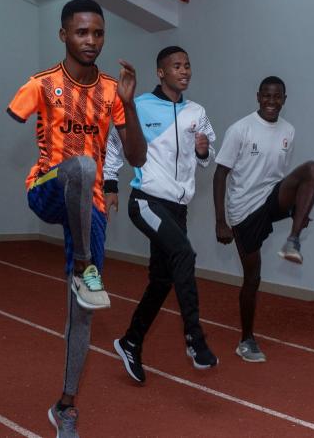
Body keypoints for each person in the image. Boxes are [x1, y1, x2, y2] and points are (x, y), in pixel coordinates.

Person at [6, 0, 146, 438]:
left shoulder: (112, 90)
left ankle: (65, 405)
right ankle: (86, 267)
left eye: (98, 33)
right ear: (64, 34)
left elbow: (138, 156)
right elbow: (16, 114)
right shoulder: (42, 84)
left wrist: (130, 104)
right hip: (48, 188)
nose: (91, 41)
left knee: (83, 313)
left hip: (91, 209)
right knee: (83, 167)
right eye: (82, 32)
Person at [104, 46, 219, 383]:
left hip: (177, 207)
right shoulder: (138, 106)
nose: (184, 71)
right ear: (161, 72)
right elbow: (114, 145)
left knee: (162, 280)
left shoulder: (196, 111)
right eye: (176, 66)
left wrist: (203, 151)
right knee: (184, 253)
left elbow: (207, 154)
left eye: (187, 65)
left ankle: (131, 341)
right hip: (146, 201)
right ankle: (195, 339)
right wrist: (111, 184)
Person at [213, 76, 314, 363]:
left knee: (313, 168)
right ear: (258, 96)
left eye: (278, 97)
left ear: (285, 100)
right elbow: (220, 174)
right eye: (267, 96)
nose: (272, 102)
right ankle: (246, 340)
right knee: (253, 277)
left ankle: (293, 239)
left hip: (271, 197)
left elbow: (281, 177)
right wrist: (221, 221)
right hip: (244, 210)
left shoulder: (289, 130)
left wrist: (299, 212)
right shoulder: (241, 129)